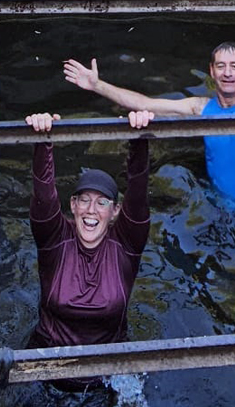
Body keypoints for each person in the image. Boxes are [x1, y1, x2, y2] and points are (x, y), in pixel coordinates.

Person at [62, 0, 235, 294]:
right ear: (212, 72)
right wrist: (97, 85)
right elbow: (144, 104)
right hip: (221, 211)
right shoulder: (201, 109)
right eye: (221, 66)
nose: (228, 73)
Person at [24, 110, 154, 365]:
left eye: (102, 202)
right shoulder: (55, 239)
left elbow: (138, 194)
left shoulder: (126, 245)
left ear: (115, 211)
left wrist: (139, 138)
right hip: (46, 368)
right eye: (84, 200)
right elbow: (43, 195)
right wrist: (43, 139)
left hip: (106, 373)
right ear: (73, 205)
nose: (91, 210)